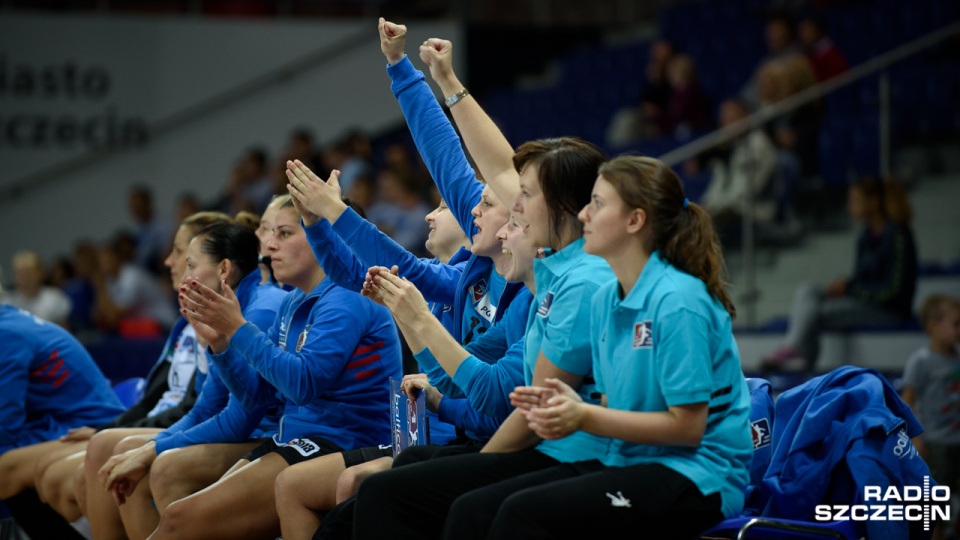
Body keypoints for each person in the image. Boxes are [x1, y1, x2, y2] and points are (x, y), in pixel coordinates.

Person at [353, 33, 614, 539]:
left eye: (525, 195)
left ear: (561, 208)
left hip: (587, 459)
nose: (506, 200)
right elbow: (490, 164)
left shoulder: (579, 275)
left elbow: (500, 398)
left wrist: (418, 319)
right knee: (408, 484)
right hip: (533, 443)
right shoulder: (547, 269)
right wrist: (442, 80)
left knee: (395, 493)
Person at [146, 196, 401, 540]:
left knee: (179, 520)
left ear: (325, 236)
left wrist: (237, 329)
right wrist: (221, 346)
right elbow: (259, 396)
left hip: (345, 443)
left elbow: (302, 384)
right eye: (269, 233)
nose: (267, 245)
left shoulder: (348, 296)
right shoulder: (294, 301)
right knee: (178, 513)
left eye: (283, 233)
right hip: (298, 437)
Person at [0, 211, 233, 540]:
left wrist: (114, 433)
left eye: (183, 254)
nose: (169, 261)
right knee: (62, 465)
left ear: (223, 266)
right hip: (140, 424)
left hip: (140, 427)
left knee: (57, 467)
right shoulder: (184, 323)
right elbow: (161, 398)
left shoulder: (7, 333)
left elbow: (213, 407)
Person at [94, 219, 288, 539]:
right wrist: (153, 446)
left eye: (190, 265)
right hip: (253, 431)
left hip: (270, 435)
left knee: (165, 466)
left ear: (224, 269)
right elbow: (205, 407)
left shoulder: (260, 310)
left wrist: (152, 450)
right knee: (133, 455)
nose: (183, 276)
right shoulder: (229, 310)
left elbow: (242, 416)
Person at [0, 274, 126, 540]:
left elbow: (4, 427)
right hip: (52, 423)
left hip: (88, 427)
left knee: (4, 467)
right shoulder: (8, 322)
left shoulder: (6, 334)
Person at [762, 177, 918, 372]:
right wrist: (847, 285)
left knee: (818, 312)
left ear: (874, 201)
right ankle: (791, 348)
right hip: (865, 300)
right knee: (809, 290)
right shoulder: (866, 235)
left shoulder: (897, 235)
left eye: (854, 200)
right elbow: (863, 278)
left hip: (889, 309)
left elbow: (894, 291)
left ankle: (801, 364)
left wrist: (850, 290)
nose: (849, 206)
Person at [903, 294, 960, 540]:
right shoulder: (920, 361)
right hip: (935, 443)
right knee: (933, 505)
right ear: (933, 326)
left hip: (957, 440)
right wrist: (915, 438)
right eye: (956, 324)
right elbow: (907, 402)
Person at [700, 98, 779, 246]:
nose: (726, 123)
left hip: (751, 211)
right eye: (724, 118)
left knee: (707, 225)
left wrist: (715, 209)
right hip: (727, 208)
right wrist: (706, 205)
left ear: (746, 117)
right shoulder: (727, 148)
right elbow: (718, 185)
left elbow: (747, 189)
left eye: (732, 118)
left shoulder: (758, 145)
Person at [4, 250, 73, 328]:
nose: (22, 279)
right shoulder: (7, 303)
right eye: (18, 273)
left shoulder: (55, 298)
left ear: (40, 273)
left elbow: (64, 331)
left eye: (28, 273)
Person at [128, 185, 173, 277]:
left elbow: (166, 255)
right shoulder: (136, 233)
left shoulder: (163, 226)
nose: (135, 209)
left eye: (138, 205)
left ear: (147, 203)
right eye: (133, 206)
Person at [798, 12, 848, 84]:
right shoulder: (809, 55)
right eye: (801, 30)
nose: (803, 34)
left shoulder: (832, 56)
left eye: (807, 28)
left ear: (818, 28)